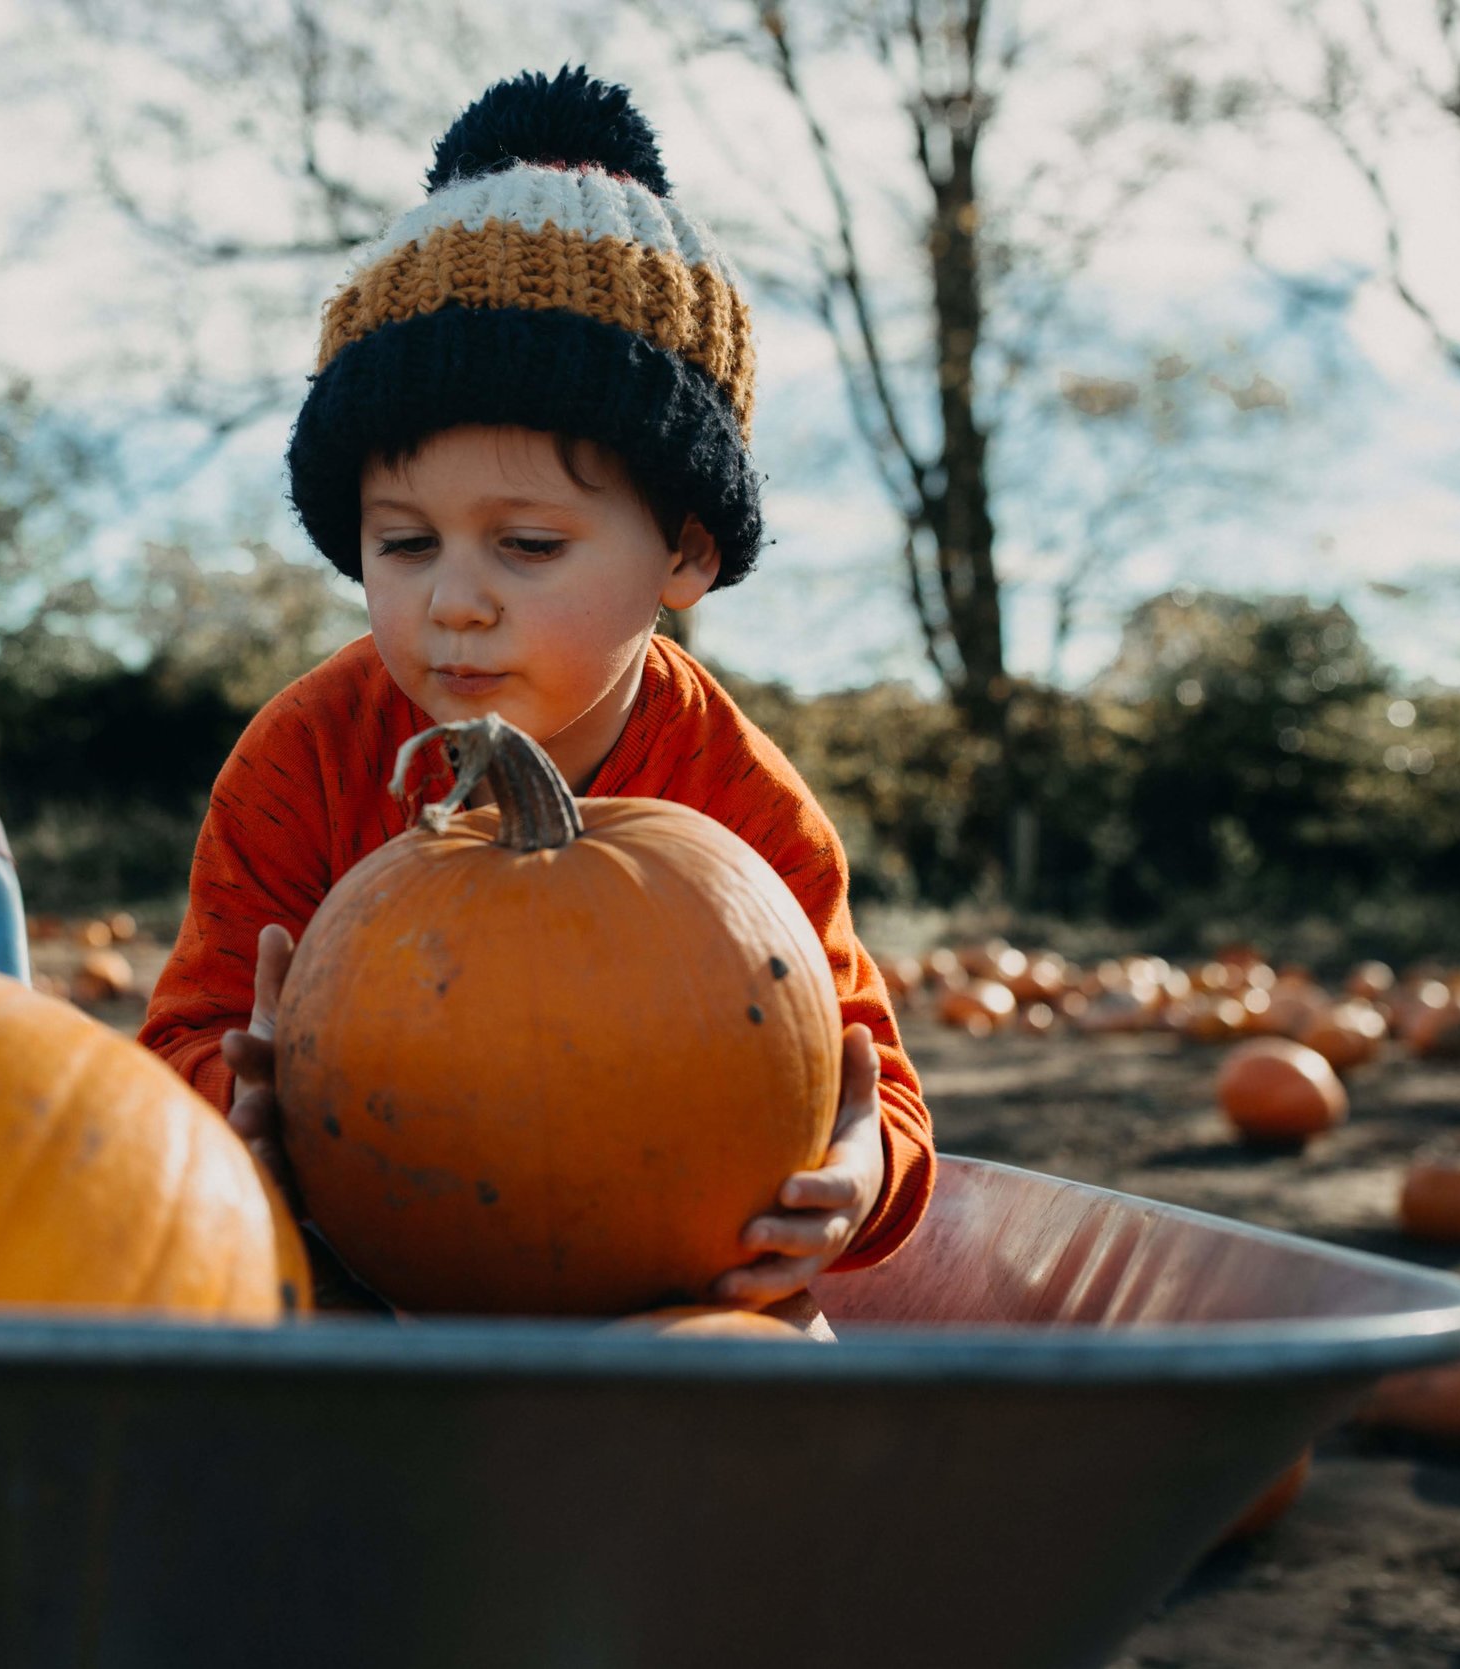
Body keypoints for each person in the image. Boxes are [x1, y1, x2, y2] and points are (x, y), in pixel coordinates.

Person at [138, 64, 934, 1310]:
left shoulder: (731, 798)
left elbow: (866, 1084)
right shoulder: (309, 757)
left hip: (660, 1285)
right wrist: (236, 1099)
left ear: (684, 551)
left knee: (756, 1368)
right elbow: (183, 1032)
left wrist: (850, 1171)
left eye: (527, 545)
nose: (453, 599)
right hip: (360, 1269)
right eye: (403, 544)